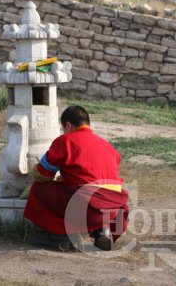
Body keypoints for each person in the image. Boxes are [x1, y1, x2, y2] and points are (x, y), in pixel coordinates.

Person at [24, 105, 129, 251]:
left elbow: (42, 175)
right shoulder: (108, 146)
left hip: (86, 209)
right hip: (112, 210)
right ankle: (101, 232)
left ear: (68, 125)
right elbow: (95, 177)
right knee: (92, 195)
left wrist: (37, 168)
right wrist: (67, 179)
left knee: (39, 189)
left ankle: (59, 237)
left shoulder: (65, 141)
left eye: (63, 129)